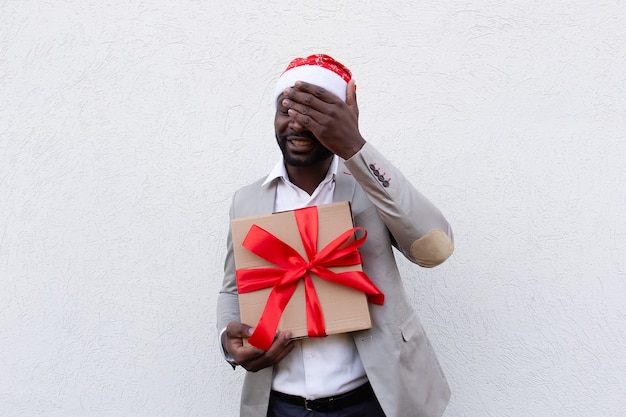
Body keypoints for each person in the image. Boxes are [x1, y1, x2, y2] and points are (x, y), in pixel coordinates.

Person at [217, 54, 455, 417]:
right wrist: (227, 341)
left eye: (313, 113)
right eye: (286, 110)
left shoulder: (371, 188)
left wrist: (356, 147)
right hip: (281, 405)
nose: (296, 123)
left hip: (375, 400)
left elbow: (434, 249)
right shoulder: (248, 201)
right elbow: (233, 288)